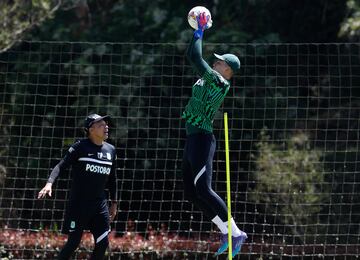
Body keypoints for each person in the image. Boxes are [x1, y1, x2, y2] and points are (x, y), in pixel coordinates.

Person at [181, 12, 247, 257]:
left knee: (204, 189)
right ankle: (226, 231)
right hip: (192, 139)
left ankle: (236, 232)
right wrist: (197, 32)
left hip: (202, 139)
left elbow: (195, 56)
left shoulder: (220, 82)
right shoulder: (210, 79)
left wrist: (200, 30)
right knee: (191, 193)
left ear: (227, 69)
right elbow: (192, 55)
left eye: (219, 62)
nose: (215, 62)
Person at [38, 114, 118, 260]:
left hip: (99, 205)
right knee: (73, 243)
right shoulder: (80, 147)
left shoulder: (111, 150)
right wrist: (49, 183)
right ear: (91, 130)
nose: (106, 127)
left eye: (106, 124)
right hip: (79, 205)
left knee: (103, 243)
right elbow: (60, 166)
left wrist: (114, 203)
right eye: (101, 125)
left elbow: (112, 179)